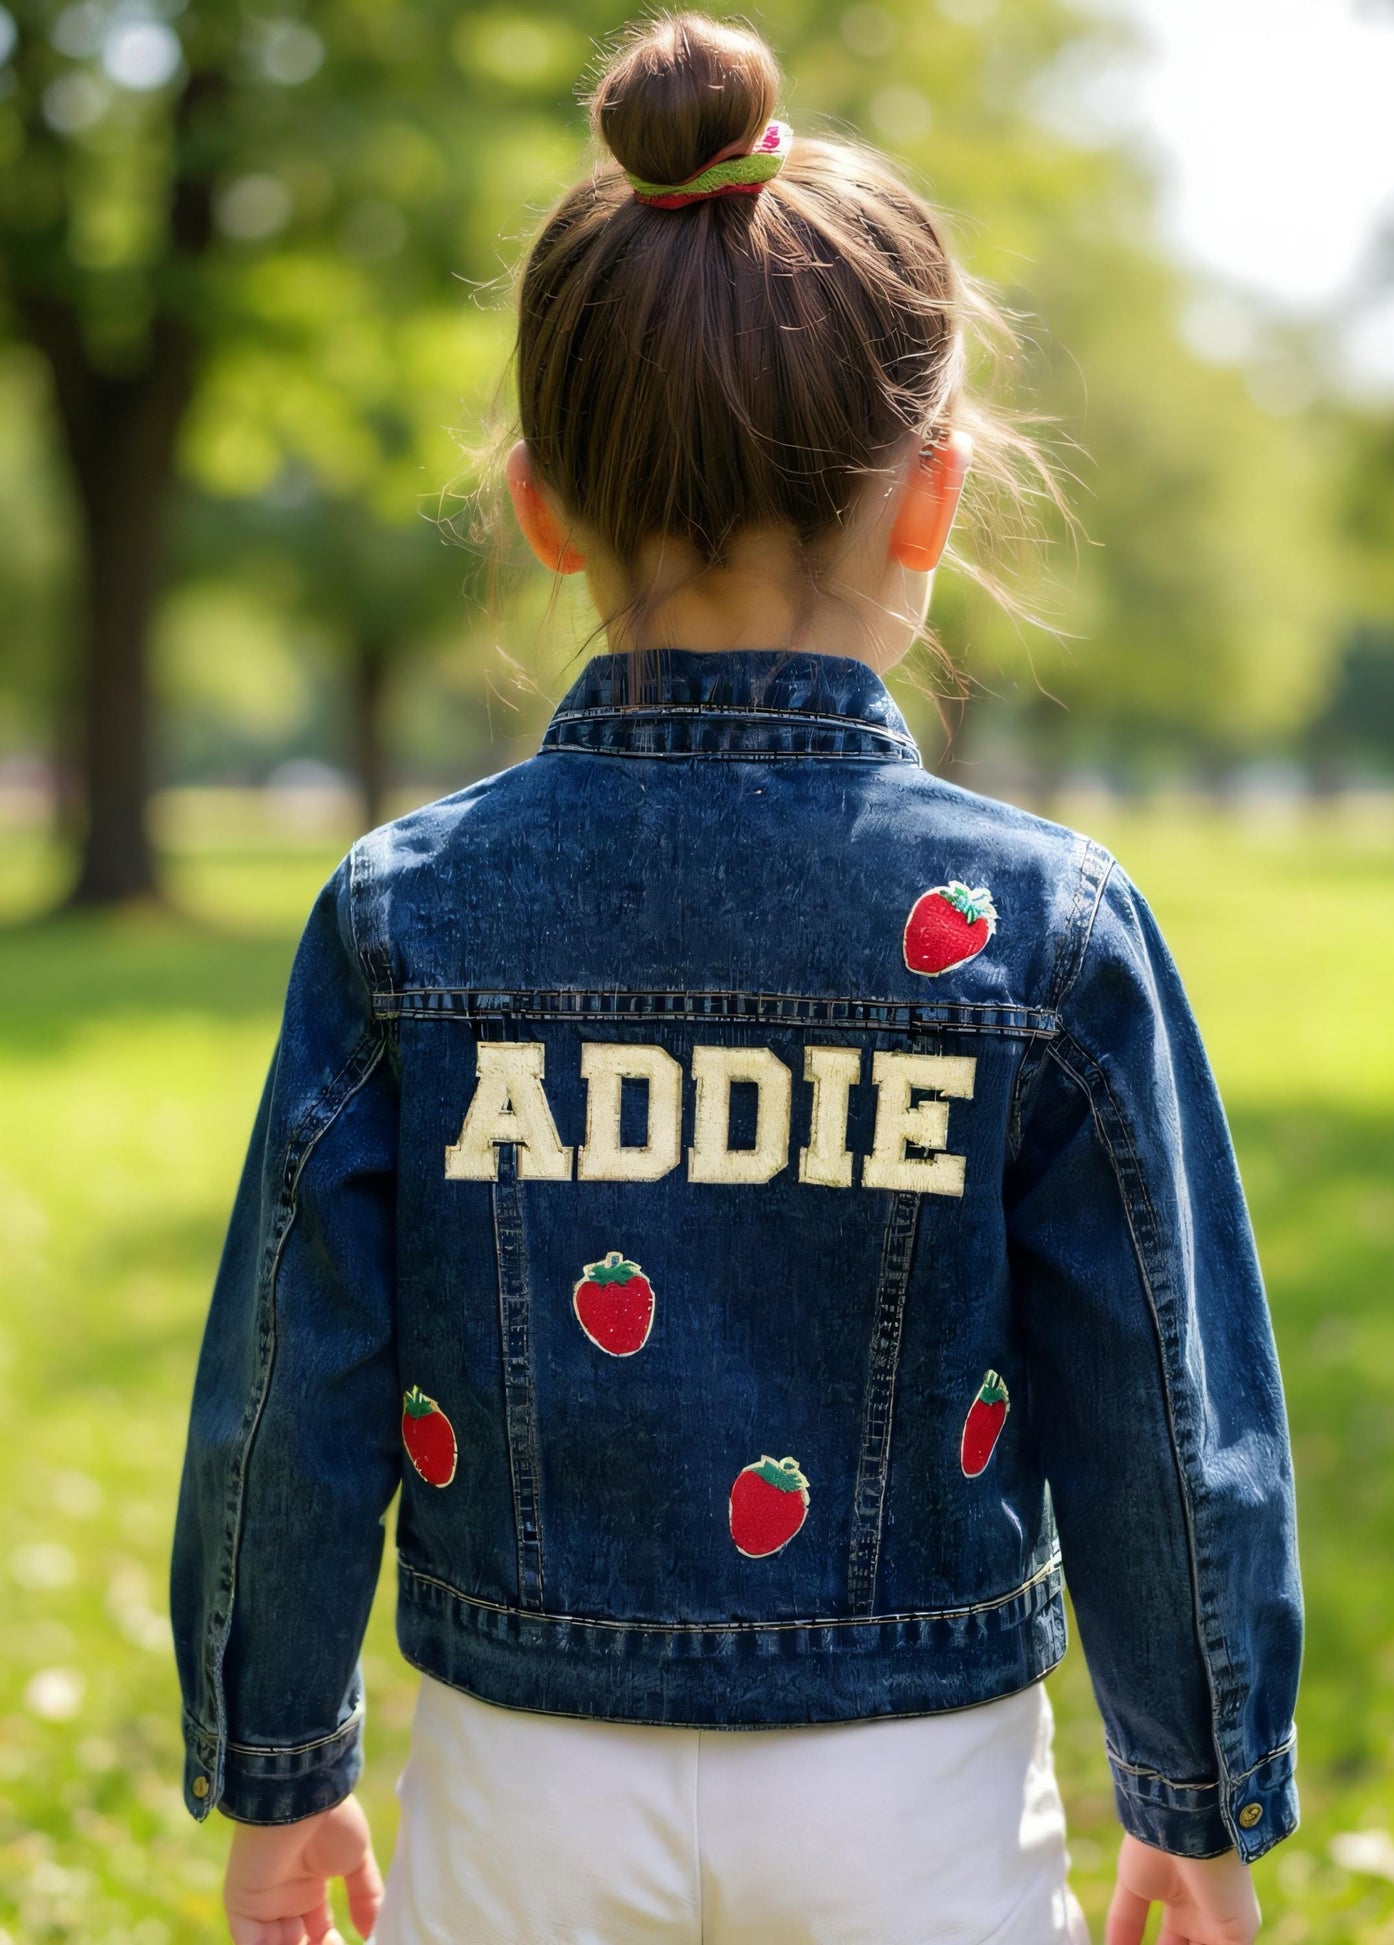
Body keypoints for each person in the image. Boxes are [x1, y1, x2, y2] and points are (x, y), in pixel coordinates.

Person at [168, 14, 1304, 1945]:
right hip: (915, 1780)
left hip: (522, 1769)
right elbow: (1158, 1401)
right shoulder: (1043, 929)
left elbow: (293, 1389)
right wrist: (1194, 1796)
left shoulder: (407, 914)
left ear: (539, 503)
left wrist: (280, 1767)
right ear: (932, 498)